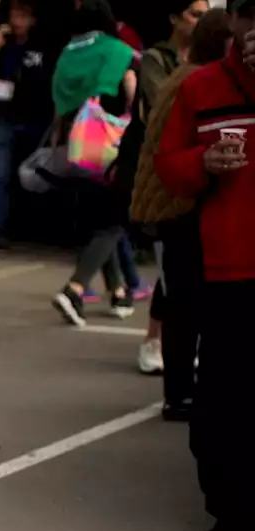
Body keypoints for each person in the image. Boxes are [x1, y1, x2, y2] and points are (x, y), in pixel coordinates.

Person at [156, 0, 255, 531]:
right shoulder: (200, 87)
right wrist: (201, 165)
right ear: (232, 22)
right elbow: (169, 164)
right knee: (223, 401)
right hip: (229, 265)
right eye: (248, 13)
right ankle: (230, 510)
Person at [129, 7, 230, 422]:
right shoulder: (197, 84)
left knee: (181, 302)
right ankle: (181, 392)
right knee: (186, 304)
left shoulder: (183, 78)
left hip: (174, 208)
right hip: (181, 207)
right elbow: (171, 153)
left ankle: (181, 391)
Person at [48, 0, 139, 328]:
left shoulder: (67, 53)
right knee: (114, 220)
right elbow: (130, 86)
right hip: (107, 144)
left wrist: (57, 140)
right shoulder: (117, 50)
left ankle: (118, 291)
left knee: (98, 220)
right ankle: (73, 289)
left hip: (75, 145)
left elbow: (58, 103)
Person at [132, 0, 210, 376]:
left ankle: (176, 343)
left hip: (199, 175)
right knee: (171, 269)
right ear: (175, 18)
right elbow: (161, 106)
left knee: (187, 270)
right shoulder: (157, 59)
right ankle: (153, 339)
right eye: (194, 12)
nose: (200, 20)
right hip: (165, 175)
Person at [0, 0, 53, 252]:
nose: (17, 19)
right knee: (0, 176)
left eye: (23, 15)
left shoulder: (39, 48)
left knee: (30, 177)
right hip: (3, 118)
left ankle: (32, 230)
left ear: (32, 20)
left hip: (31, 118)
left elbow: (46, 83)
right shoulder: (3, 45)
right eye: (14, 14)